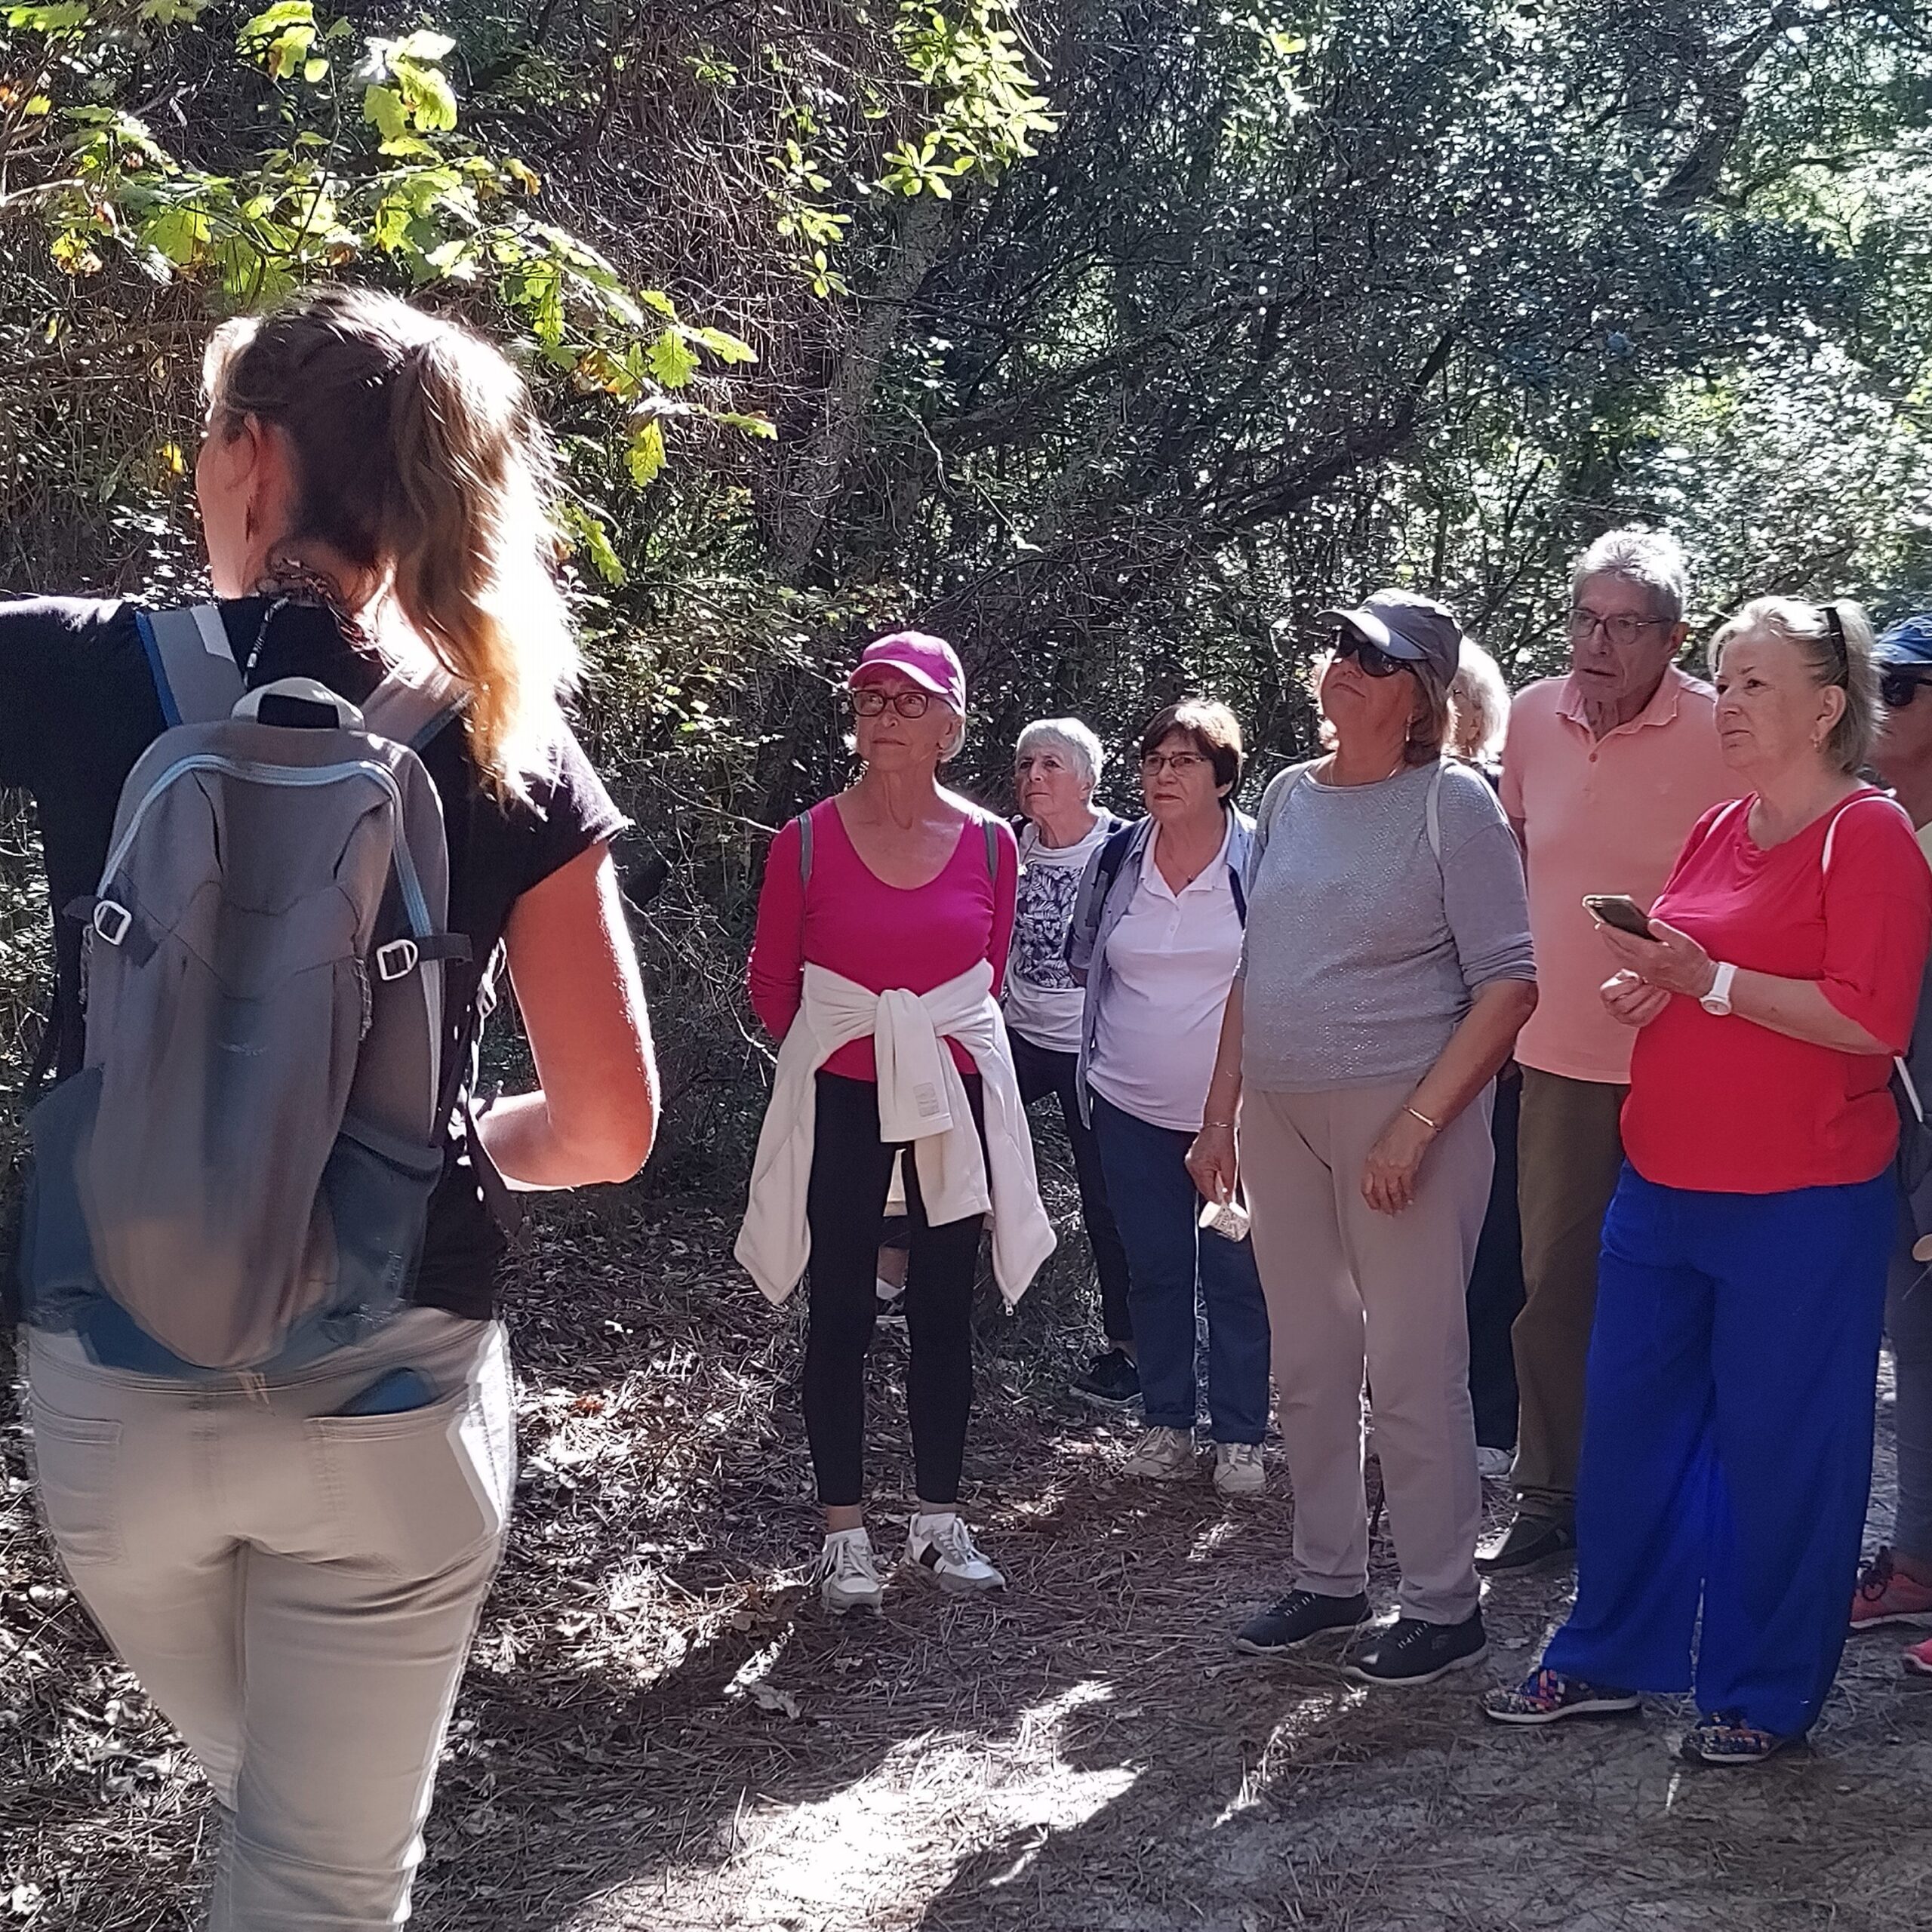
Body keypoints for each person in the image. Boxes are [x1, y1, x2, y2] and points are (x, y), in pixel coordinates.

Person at [15, 288, 659, 1928]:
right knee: (317, 1869)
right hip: (388, 1389)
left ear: (249, 453)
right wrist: (436, 1145)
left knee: (278, 1820)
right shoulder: (503, 733)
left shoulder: (83, 665)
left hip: (116, 1390)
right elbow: (606, 1125)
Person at [1484, 598, 1932, 1762]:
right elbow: (1694, 960)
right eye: (1724, 682)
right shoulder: (1720, 824)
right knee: (1631, 1431)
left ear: (1828, 708)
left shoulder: (1867, 835)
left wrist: (1713, 981)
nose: (1725, 705)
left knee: (1781, 1449)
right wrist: (1660, 984)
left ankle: (1763, 1692)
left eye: (1754, 686)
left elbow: (1870, 1022)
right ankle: (1604, 1657)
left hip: (1802, 1202)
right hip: (1664, 1184)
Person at [1190, 592, 1537, 1684]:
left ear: (1421, 698)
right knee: (1309, 1360)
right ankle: (1330, 1579)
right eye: (1342, 646)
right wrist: (1220, 1115)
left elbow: (1509, 987)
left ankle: (1444, 1604)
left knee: (1413, 1366)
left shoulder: (1455, 806)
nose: (1344, 665)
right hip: (1282, 1117)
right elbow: (1261, 966)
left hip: (1404, 1117)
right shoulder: (1291, 794)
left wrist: (1418, 1126)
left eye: (1374, 659)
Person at [737, 631, 1054, 1615]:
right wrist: (856, 1059)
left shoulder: (995, 846)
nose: (884, 715)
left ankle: (937, 1521)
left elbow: (984, 979)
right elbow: (773, 986)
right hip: (839, 1095)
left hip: (948, 1099)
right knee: (836, 1315)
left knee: (941, 1313)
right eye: (872, 698)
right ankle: (843, 1537)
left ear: (951, 728)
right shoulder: (805, 842)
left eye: (909, 702)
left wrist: (914, 1058)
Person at [1484, 528, 1737, 1574]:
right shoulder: (1534, 717)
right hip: (1558, 1056)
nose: (1596, 643)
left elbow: (1761, 883)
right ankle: (1550, 1496)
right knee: (1554, 1288)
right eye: (1584, 619)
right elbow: (1509, 857)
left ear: (1673, 639)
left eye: (1623, 626)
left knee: (1686, 1285)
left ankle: (1676, 1497)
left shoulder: (1725, 732)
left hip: (1695, 1057)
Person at [1066, 700, 1271, 1497]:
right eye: (1152, 761)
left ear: (1222, 777)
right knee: (1152, 1268)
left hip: (1241, 1119)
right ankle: (1165, 1422)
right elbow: (1089, 957)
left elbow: (1282, 973)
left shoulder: (1263, 858)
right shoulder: (1118, 858)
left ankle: (1242, 1437)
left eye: (1182, 761)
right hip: (1127, 1105)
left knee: (1235, 1268)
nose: (1161, 775)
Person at [1005, 717, 1135, 1407]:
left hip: (1097, 1048)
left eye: (1050, 765)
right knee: (947, 1139)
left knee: (1106, 1197)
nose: (1033, 779)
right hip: (1014, 1037)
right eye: (1026, 765)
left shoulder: (1125, 850)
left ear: (1088, 777)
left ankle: (1129, 1351)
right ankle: (912, 1286)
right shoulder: (1008, 844)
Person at [1848, 612, 1932, 1668]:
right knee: (1916, 1356)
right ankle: (1915, 1563)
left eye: (1903, 688)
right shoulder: (1878, 833)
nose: (1880, 706)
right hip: (1897, 1148)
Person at [1448, 639, 1525, 1478]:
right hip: (1393, 1056)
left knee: (1493, 1238)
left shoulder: (1502, 799)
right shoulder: (1360, 798)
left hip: (1495, 1058)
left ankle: (1490, 1419)